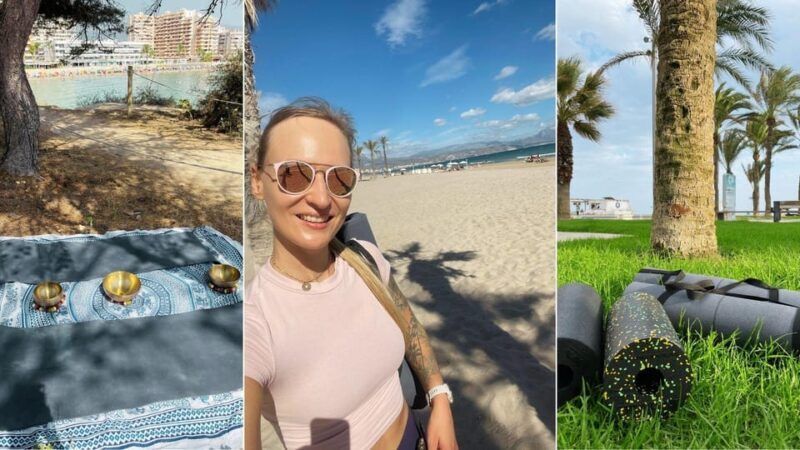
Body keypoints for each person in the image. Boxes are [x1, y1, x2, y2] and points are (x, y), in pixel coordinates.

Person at [245, 97, 458, 450]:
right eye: (295, 175)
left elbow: (411, 327)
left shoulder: (365, 258)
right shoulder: (255, 321)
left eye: (339, 179)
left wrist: (439, 400)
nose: (322, 199)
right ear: (257, 180)